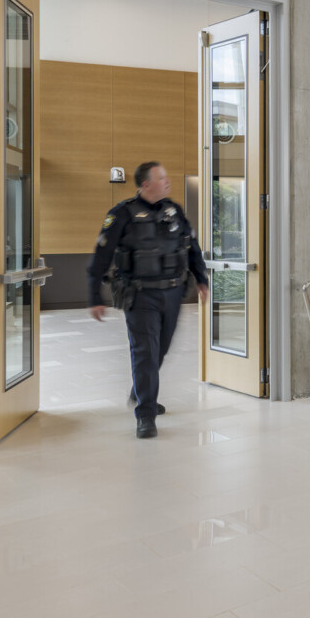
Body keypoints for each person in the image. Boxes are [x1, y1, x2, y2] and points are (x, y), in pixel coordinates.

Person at [88, 161, 209, 438]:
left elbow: (191, 246)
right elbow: (101, 256)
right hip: (140, 294)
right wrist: (95, 295)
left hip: (173, 292)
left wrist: (201, 279)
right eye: (162, 178)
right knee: (145, 350)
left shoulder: (174, 210)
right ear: (146, 184)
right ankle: (145, 413)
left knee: (161, 348)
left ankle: (141, 389)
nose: (167, 182)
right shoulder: (121, 214)